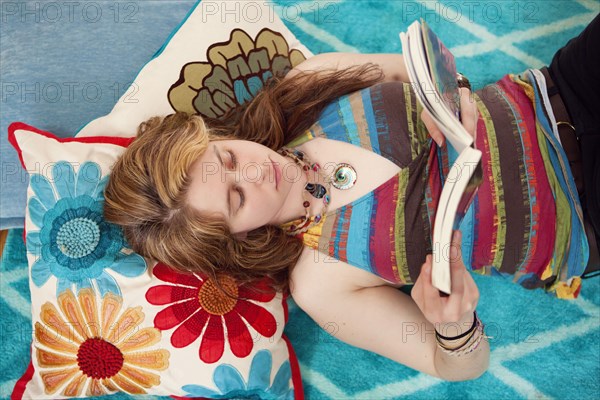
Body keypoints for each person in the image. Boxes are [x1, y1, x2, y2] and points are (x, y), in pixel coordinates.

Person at [103, 15, 600, 382]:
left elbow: (427, 67)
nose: (257, 170)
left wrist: (456, 96)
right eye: (236, 197)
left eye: (229, 158)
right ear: (235, 237)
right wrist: (456, 325)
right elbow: (454, 365)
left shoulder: (303, 87)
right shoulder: (321, 284)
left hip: (557, 88)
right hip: (585, 216)